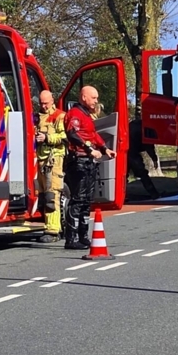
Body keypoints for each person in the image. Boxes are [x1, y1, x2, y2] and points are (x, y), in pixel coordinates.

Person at [64, 86, 115, 249]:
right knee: (78, 199)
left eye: (96, 98)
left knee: (86, 200)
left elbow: (93, 135)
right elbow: (72, 134)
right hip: (78, 161)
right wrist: (89, 150)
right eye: (93, 98)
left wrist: (104, 148)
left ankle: (83, 236)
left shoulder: (86, 116)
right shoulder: (75, 114)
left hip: (88, 161)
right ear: (84, 97)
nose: (96, 101)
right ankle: (71, 239)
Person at [34, 91, 66, 243]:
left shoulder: (60, 116)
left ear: (52, 100)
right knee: (43, 195)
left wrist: (47, 138)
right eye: (41, 103)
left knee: (51, 194)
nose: (43, 106)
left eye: (46, 103)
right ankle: (49, 226)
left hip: (53, 159)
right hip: (40, 160)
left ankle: (53, 231)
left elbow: (64, 136)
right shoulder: (37, 117)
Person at [128, 118, 161, 200]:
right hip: (132, 151)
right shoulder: (146, 128)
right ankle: (154, 193)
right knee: (142, 173)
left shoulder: (135, 124)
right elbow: (149, 145)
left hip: (126, 150)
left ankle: (123, 194)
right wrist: (154, 158)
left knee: (124, 174)